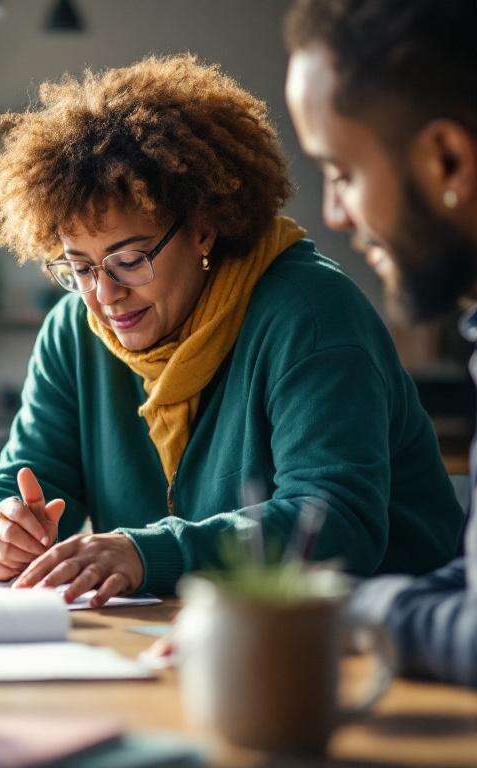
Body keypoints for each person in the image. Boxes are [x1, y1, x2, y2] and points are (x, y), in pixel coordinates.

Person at [0, 54, 462, 607]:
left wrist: (145, 553)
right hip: (200, 627)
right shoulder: (73, 332)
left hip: (392, 638)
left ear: (203, 230)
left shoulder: (310, 313)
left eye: (130, 259)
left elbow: (335, 520)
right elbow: (23, 479)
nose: (105, 295)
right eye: (80, 268)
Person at [285, 0, 477, 686]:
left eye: (342, 173)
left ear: (447, 160)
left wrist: (339, 615)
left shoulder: (307, 305)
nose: (335, 214)